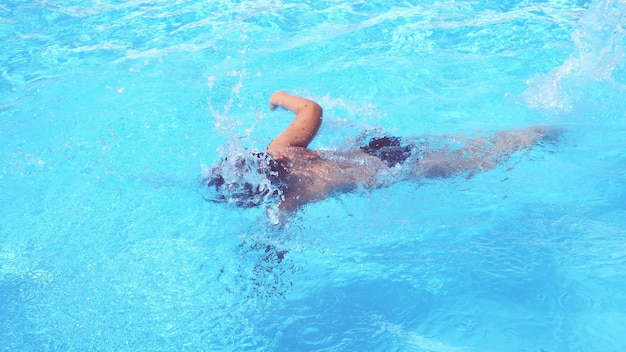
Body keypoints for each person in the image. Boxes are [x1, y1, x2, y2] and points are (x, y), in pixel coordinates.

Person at [202, 91, 559, 214]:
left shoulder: (296, 192)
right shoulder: (280, 148)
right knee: (470, 141)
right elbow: (312, 109)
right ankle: (535, 131)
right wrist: (278, 97)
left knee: (477, 162)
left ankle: (539, 136)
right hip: (377, 147)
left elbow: (277, 229)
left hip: (395, 170)